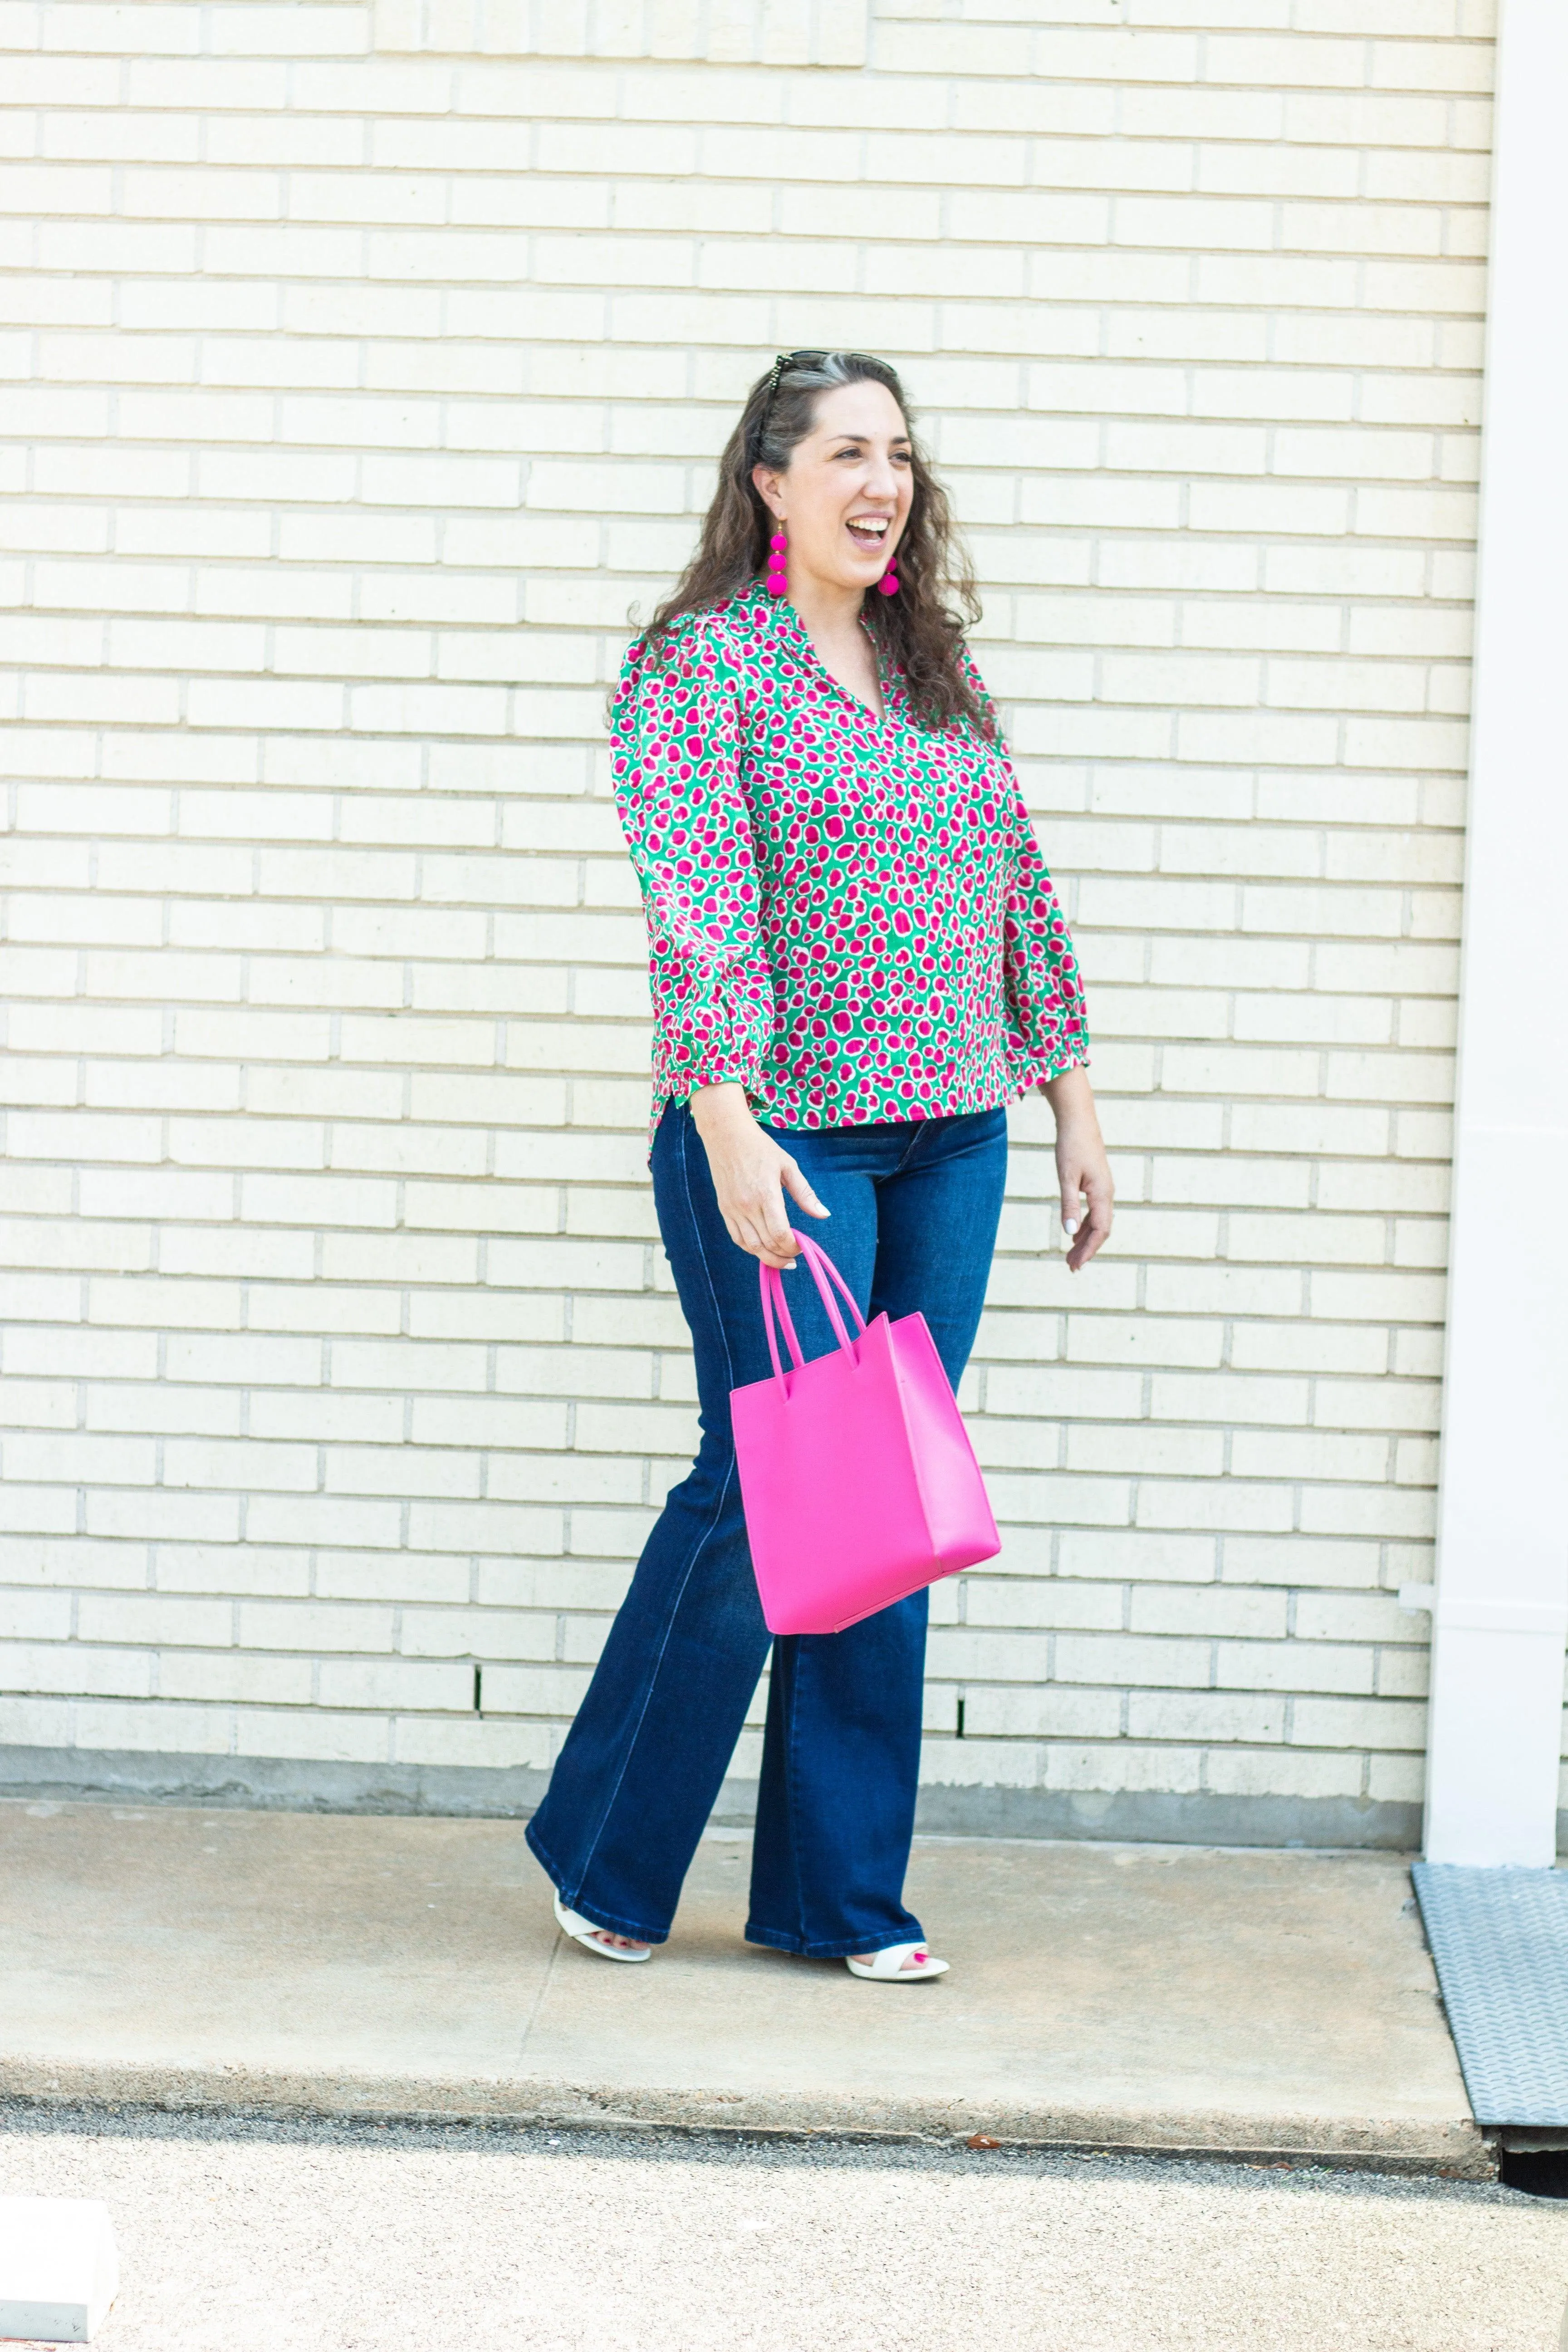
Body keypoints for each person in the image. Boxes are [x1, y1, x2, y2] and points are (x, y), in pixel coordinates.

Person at [526, 349, 1112, 1982]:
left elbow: (1018, 883)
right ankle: (610, 1854)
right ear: (769, 479)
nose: (883, 483)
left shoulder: (935, 671)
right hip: (778, 1139)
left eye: (902, 456)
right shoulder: (698, 669)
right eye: (848, 452)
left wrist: (1067, 1099)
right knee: (765, 1489)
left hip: (955, 1136)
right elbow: (696, 908)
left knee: (890, 1505)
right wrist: (725, 1127)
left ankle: (836, 1900)